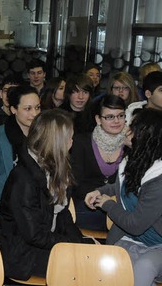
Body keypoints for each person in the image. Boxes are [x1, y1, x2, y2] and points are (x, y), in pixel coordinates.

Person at [0, 109, 83, 280]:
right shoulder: (24, 178)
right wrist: (71, 246)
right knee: (81, 267)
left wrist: (79, 243)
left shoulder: (58, 169)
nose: (72, 142)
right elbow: (33, 234)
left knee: (90, 257)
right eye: (69, 138)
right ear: (56, 143)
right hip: (22, 254)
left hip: (46, 243)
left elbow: (62, 214)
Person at [85, 109, 162, 286]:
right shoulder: (135, 159)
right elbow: (123, 187)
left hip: (157, 244)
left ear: (143, 134)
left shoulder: (158, 178)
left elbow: (135, 225)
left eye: (131, 125)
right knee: (106, 266)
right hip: (129, 238)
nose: (125, 128)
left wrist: (108, 205)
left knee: (144, 267)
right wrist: (101, 191)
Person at [0, 85, 41, 224]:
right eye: (28, 109)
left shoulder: (43, 136)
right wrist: (17, 194)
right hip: (1, 198)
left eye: (37, 107)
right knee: (24, 222)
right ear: (13, 109)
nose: (34, 114)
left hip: (36, 199)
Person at [71, 94, 126, 231]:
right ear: (98, 119)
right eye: (109, 117)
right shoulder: (81, 142)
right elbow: (75, 181)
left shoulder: (131, 144)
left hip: (120, 205)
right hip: (88, 204)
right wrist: (98, 197)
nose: (116, 121)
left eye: (121, 115)